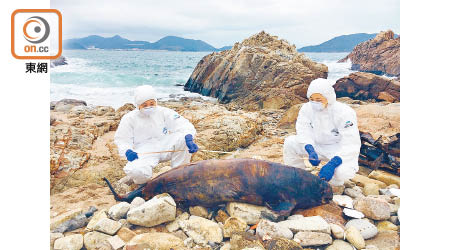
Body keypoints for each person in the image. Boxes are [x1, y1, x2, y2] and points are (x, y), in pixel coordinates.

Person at [283, 78, 361, 186]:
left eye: (319, 99)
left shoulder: (344, 112)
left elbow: (351, 143)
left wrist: (334, 163)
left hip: (336, 149)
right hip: (316, 147)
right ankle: (297, 175)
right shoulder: (306, 108)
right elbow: (303, 129)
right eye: (312, 99)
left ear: (328, 97)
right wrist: (309, 148)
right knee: (289, 142)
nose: (315, 102)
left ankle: (333, 184)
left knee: (342, 173)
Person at [114, 85, 198, 184]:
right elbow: (122, 139)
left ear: (156, 102)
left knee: (183, 139)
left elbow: (182, 124)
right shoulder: (129, 118)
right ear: (138, 105)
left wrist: (189, 137)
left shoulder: (163, 112)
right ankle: (143, 183)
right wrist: (127, 151)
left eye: (152, 103)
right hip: (145, 151)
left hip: (165, 145)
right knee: (136, 171)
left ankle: (179, 175)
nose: (149, 107)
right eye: (145, 105)